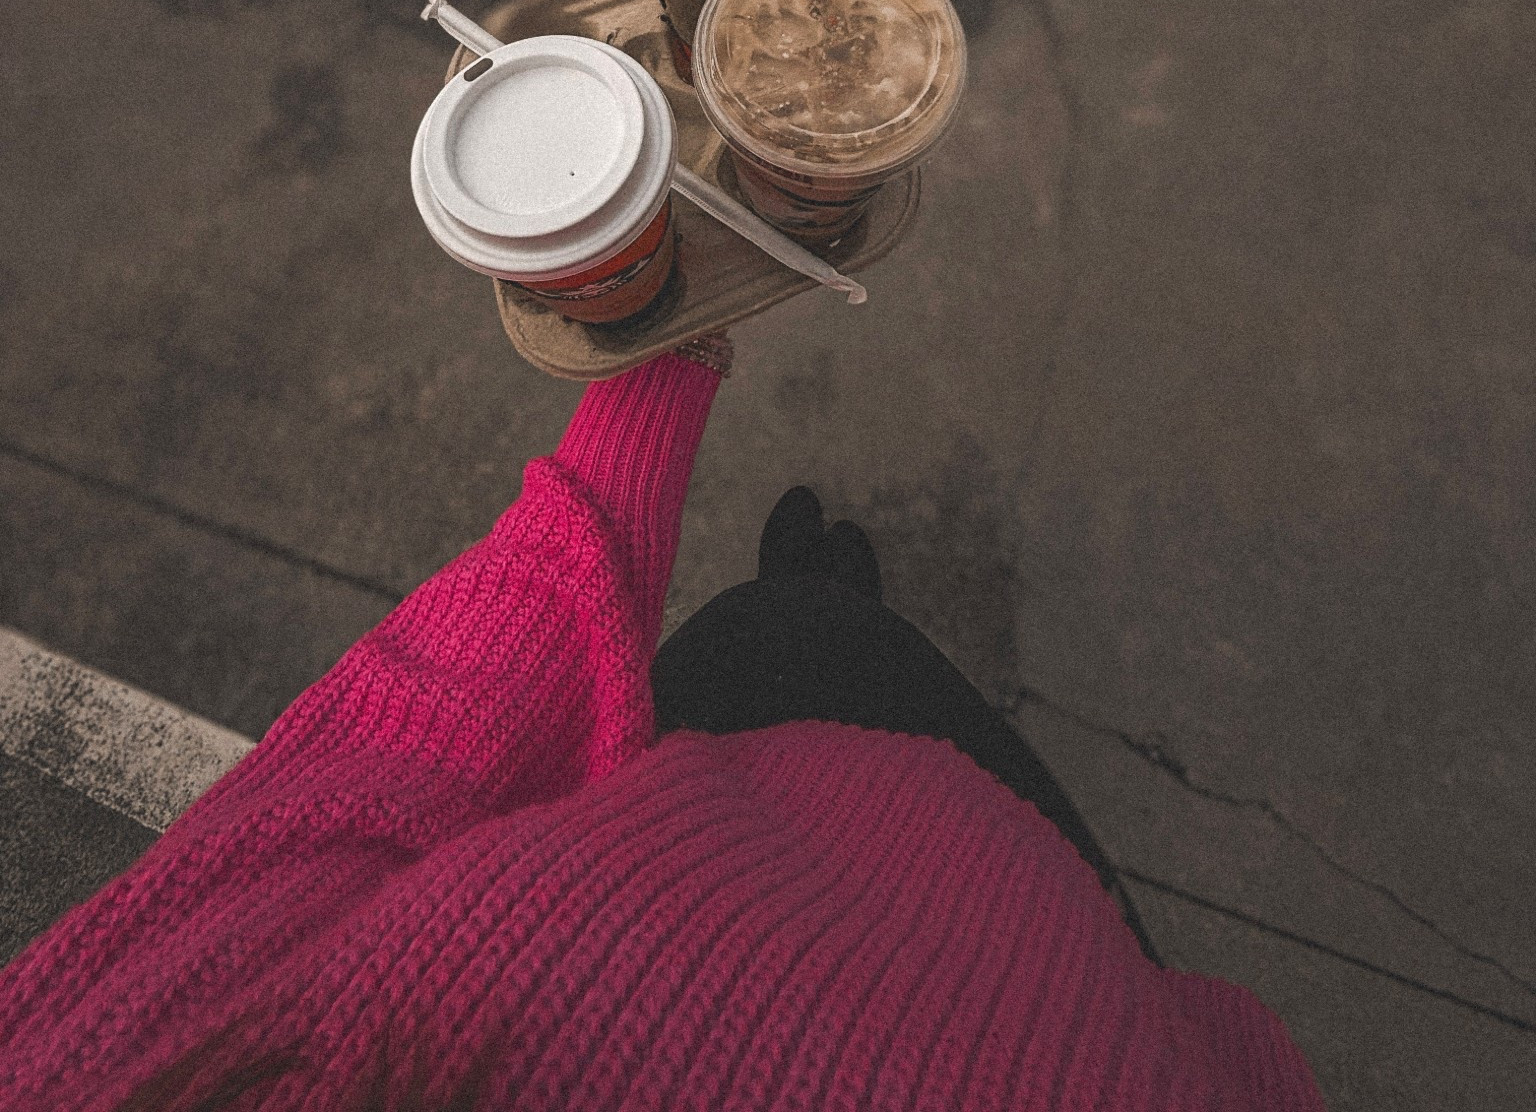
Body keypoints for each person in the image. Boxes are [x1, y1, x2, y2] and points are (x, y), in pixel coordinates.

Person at [0, 343, 1324, 1110]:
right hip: (1045, 936)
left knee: (780, 633)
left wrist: (663, 343)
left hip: (769, 815)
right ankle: (822, 597)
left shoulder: (99, 1068)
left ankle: (817, 594)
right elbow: (417, 737)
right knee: (802, 636)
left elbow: (407, 748)